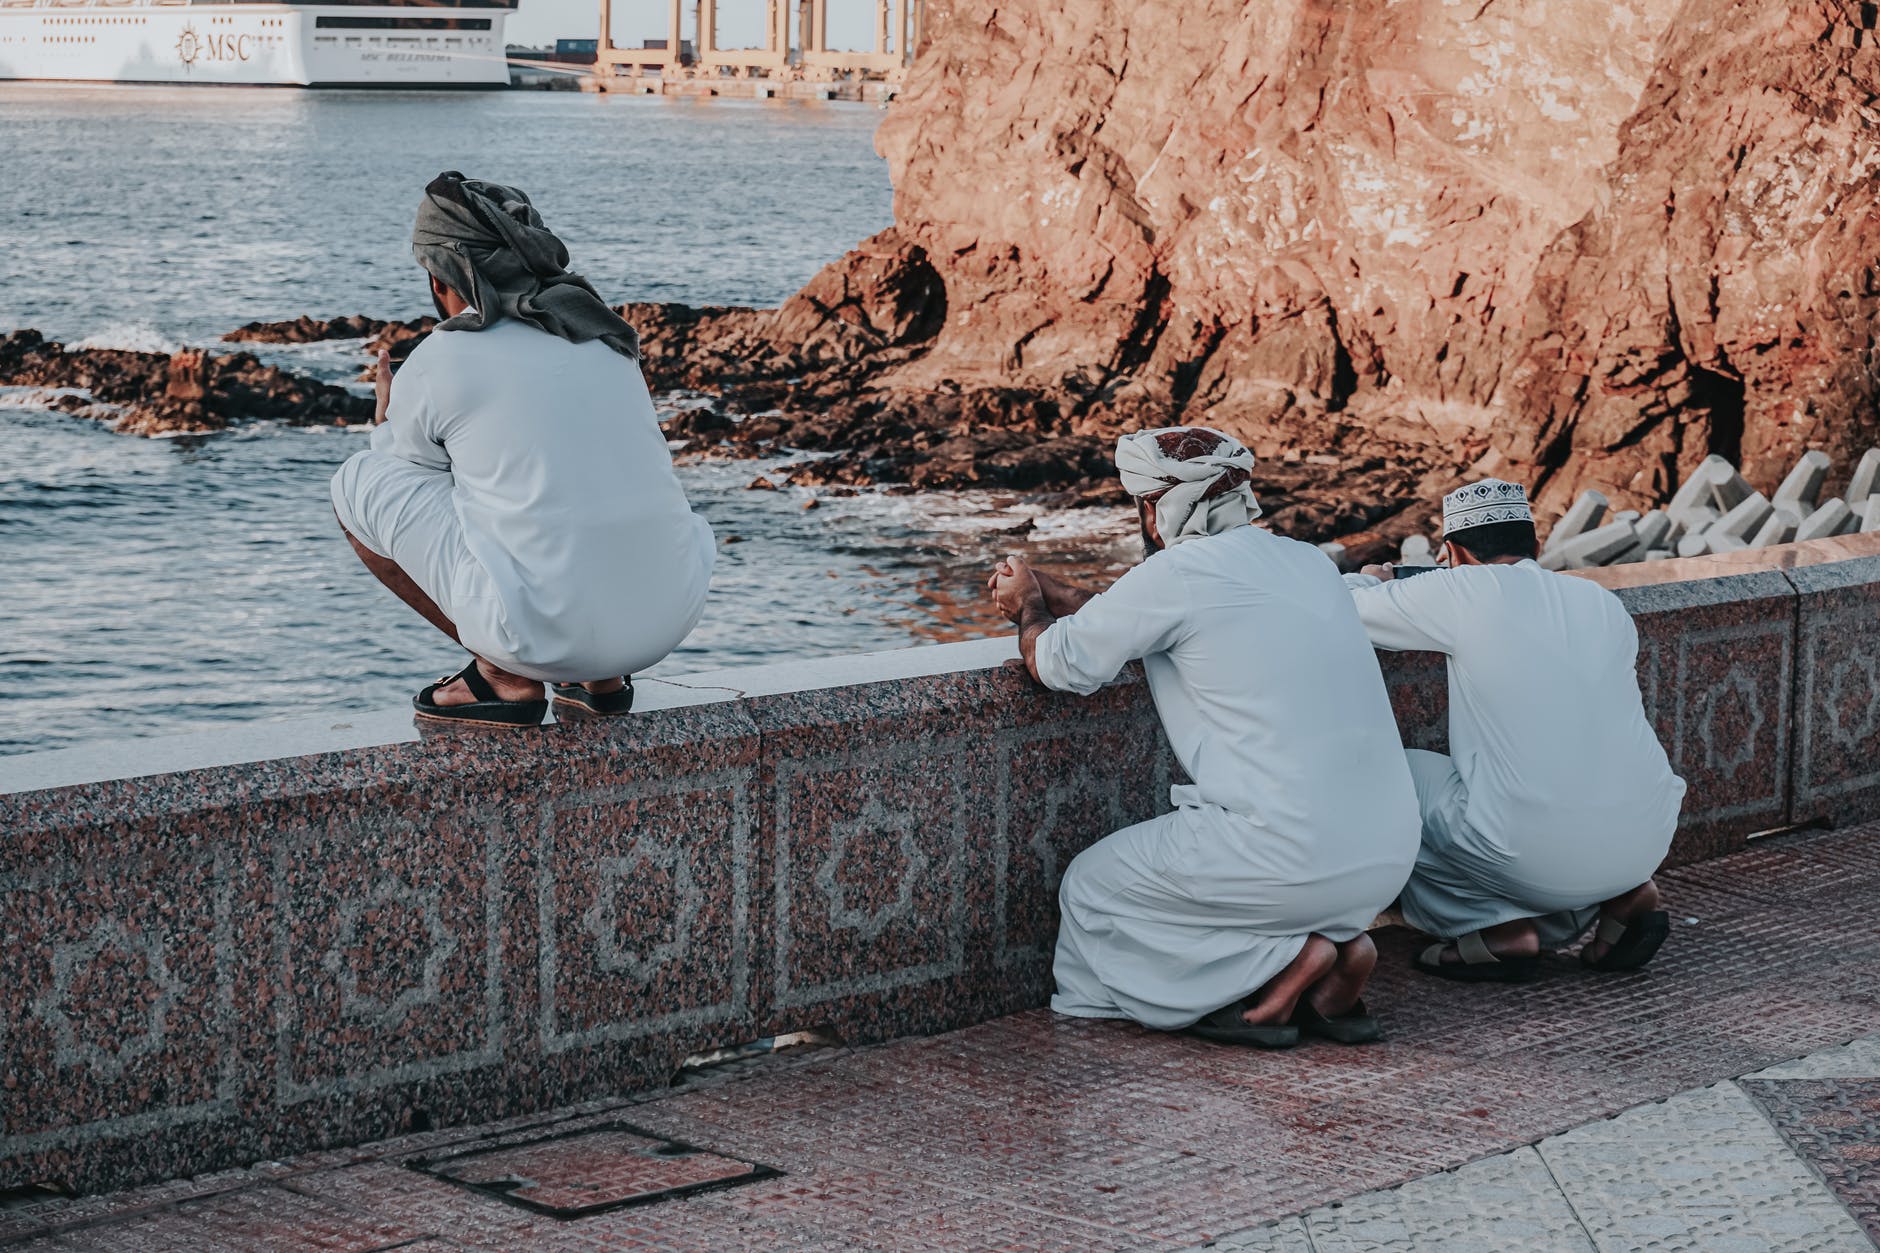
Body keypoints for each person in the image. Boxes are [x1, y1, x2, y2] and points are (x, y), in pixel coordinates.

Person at [988, 427, 1421, 1048]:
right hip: (1387, 859)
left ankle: (1266, 979)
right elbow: (1171, 615)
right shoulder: (1309, 562)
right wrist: (1059, 592)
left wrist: (1029, 606)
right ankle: (1329, 964)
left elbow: (1057, 664)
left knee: (1092, 888)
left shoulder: (1177, 574)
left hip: (1286, 857)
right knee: (1228, 885)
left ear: (1154, 507)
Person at [331, 172, 714, 727]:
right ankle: (598, 680)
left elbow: (407, 469)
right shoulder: (606, 336)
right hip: (669, 618)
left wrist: (385, 422)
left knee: (358, 480)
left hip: (541, 634)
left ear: (443, 280)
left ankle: (504, 675)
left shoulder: (445, 354)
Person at [1345, 479, 1685, 981]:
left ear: (1452, 553)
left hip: (1535, 850)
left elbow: (1344, 609)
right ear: (1537, 546)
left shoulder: (1462, 588)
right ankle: (1623, 895)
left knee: (1390, 777)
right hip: (1648, 839)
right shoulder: (1599, 602)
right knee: (1538, 817)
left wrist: (1371, 578)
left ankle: (1494, 928)